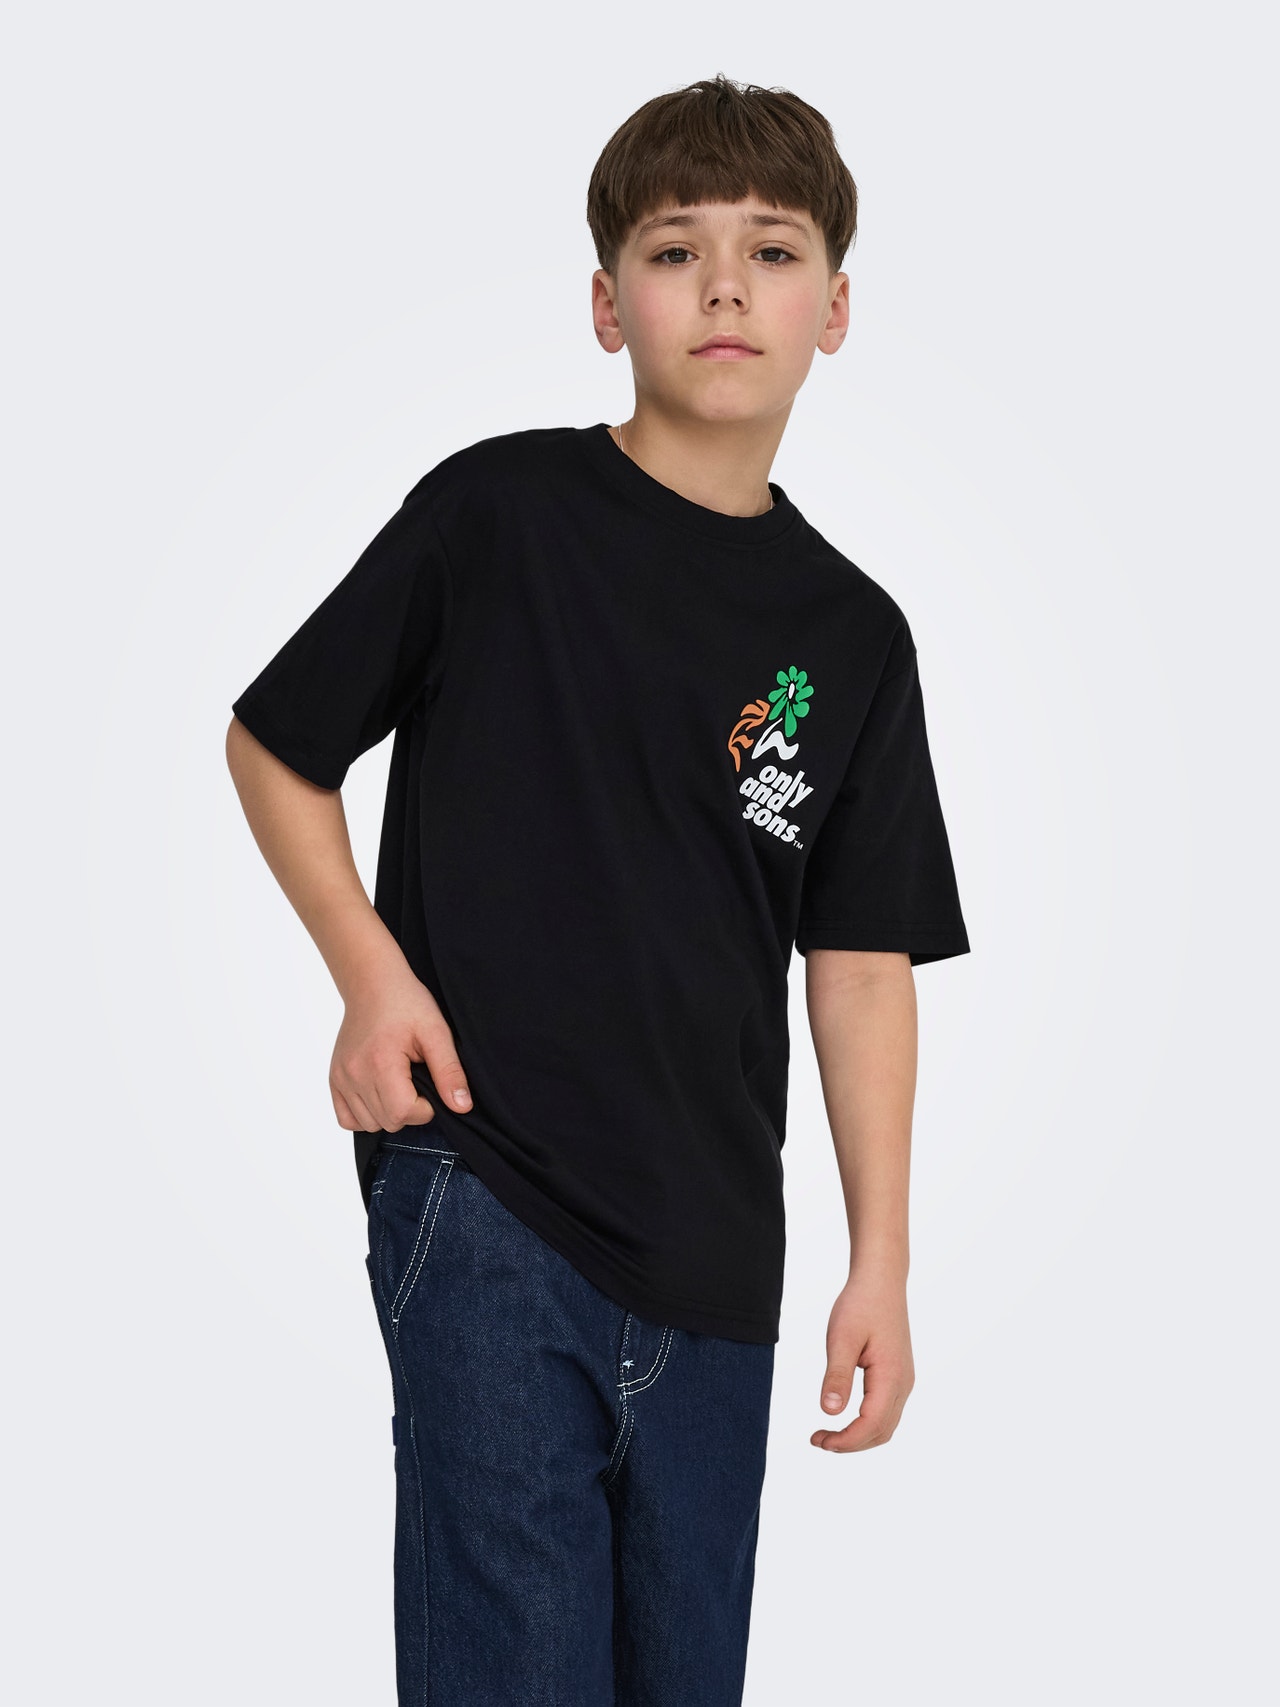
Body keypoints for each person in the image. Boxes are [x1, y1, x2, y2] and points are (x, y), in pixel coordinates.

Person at [226, 71, 970, 1707]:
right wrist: (371, 978)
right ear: (606, 302)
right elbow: (277, 745)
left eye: (773, 252)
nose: (725, 288)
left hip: (719, 1258)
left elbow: (860, 962)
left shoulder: (853, 636)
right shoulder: (497, 515)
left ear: (836, 309)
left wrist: (883, 1261)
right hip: (487, 1194)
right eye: (675, 250)